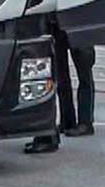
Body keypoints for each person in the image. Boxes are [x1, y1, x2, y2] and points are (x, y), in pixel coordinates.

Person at [23, 23, 96, 155]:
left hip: (77, 23)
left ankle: (86, 122)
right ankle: (67, 121)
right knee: (61, 77)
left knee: (84, 74)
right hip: (58, 25)